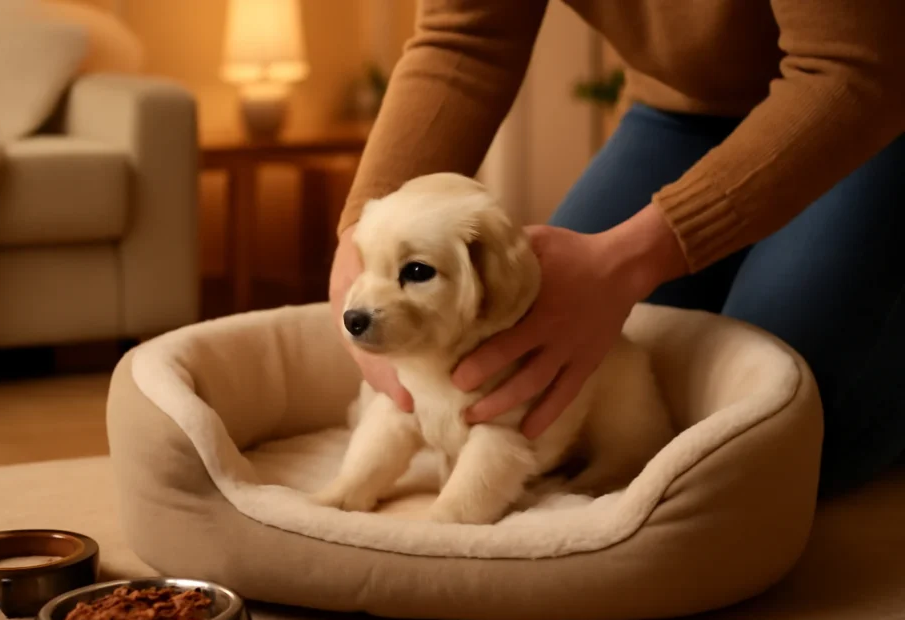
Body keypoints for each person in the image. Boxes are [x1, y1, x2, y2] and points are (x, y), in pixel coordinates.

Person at [328, 0, 905, 496]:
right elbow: (467, 35)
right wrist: (361, 225)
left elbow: (856, 66)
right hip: (684, 109)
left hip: (882, 92)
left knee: (778, 440)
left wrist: (628, 257)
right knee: (545, 349)